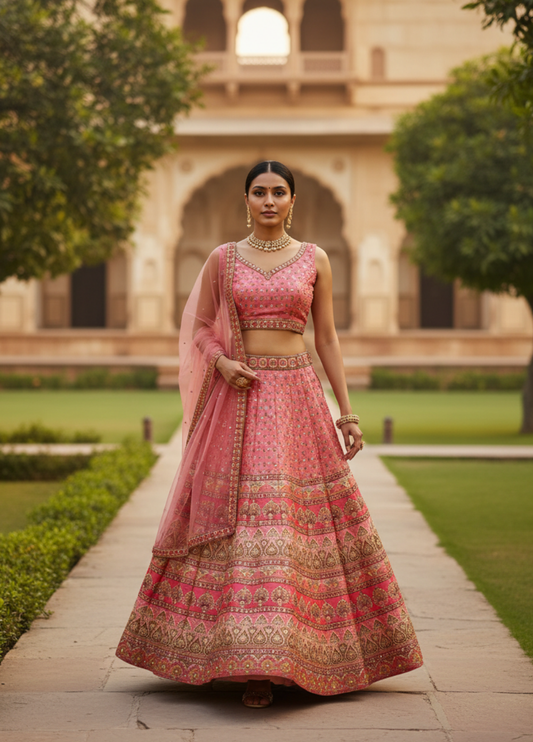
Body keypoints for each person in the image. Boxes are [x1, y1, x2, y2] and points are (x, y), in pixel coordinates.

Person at [116, 160, 423, 708]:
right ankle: (247, 663)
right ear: (246, 200)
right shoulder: (222, 259)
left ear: (292, 200)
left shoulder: (315, 259)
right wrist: (223, 363)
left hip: (299, 400)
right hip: (238, 400)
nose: (269, 201)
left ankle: (299, 656)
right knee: (247, 521)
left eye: (279, 192)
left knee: (294, 523)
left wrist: (346, 413)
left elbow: (326, 338)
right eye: (259, 192)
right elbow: (201, 328)